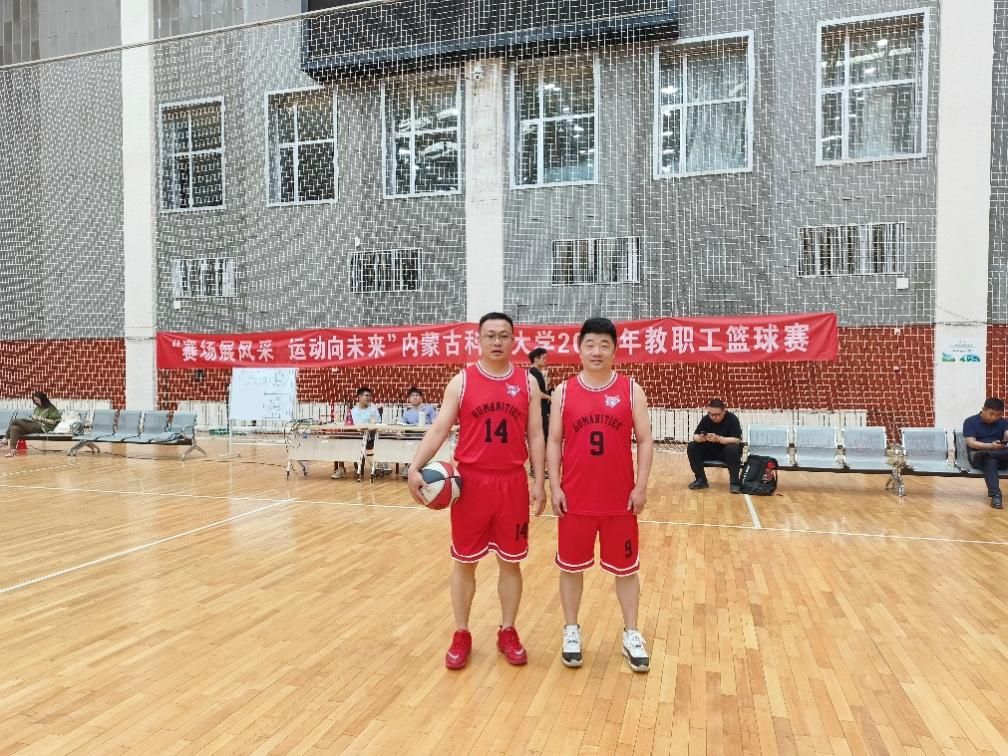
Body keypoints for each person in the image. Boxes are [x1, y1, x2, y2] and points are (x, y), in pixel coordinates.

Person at [407, 312, 546, 670]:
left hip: (511, 482)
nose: (497, 341)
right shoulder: (462, 381)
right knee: (464, 562)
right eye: (490, 335)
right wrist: (414, 466)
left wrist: (539, 480)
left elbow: (535, 434)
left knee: (511, 562)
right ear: (479, 340)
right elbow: (439, 428)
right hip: (470, 483)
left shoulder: (527, 382)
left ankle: (508, 630)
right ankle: (462, 632)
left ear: (513, 340)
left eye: (504, 335)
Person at [547, 317, 654, 672]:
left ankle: (631, 633)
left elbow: (645, 440)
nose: (596, 351)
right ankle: (571, 630)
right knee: (570, 568)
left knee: (626, 570)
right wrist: (554, 485)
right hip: (575, 499)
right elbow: (554, 441)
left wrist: (641, 485)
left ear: (614, 351)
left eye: (604, 345)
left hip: (619, 501)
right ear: (579, 349)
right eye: (590, 344)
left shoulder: (631, 389)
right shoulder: (563, 392)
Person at [686, 399, 744, 494]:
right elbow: (695, 436)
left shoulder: (732, 419)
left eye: (717, 414)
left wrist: (719, 439)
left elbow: (737, 440)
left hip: (726, 451)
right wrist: (700, 439)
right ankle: (701, 480)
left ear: (724, 411)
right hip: (710, 450)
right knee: (692, 446)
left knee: (732, 449)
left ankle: (734, 483)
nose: (713, 417)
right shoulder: (706, 419)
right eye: (710, 414)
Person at [963, 397, 1008, 509]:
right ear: (983, 409)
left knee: (991, 456)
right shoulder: (970, 421)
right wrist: (990, 446)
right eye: (991, 414)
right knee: (989, 459)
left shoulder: (1003, 422)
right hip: (978, 457)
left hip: (1000, 457)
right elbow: (971, 443)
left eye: (998, 415)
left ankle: (989, 453)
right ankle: (996, 495)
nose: (994, 417)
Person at [332, 387, 382, 479]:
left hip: (368, 435)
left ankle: (358, 467)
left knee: (349, 438)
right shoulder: (353, 411)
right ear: (359, 396)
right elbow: (348, 424)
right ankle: (341, 469)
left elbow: (378, 424)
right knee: (340, 439)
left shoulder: (373, 409)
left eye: (369, 396)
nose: (368, 398)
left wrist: (369, 427)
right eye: (366, 395)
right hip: (354, 434)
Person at [3, 392, 61, 457]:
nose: (36, 402)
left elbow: (54, 421)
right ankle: (12, 451)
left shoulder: (51, 408)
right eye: (35, 400)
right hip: (34, 426)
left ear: (43, 399)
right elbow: (34, 421)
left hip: (43, 428)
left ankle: (5, 438)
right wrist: (34, 418)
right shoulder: (37, 409)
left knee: (14, 421)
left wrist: (40, 418)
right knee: (14, 428)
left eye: (37, 400)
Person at [528, 348, 550, 476]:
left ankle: (536, 468)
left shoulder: (537, 372)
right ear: (536, 359)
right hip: (538, 409)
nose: (546, 360)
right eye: (544, 358)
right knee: (540, 439)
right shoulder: (533, 373)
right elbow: (537, 393)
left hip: (542, 408)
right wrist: (551, 397)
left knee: (543, 439)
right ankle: (536, 469)